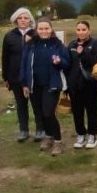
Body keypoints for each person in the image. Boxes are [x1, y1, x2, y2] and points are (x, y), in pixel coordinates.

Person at [20, 18, 70, 155]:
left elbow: (67, 63)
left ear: (51, 29)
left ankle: (58, 141)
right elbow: (24, 65)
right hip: (34, 85)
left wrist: (59, 62)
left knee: (49, 113)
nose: (44, 31)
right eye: (41, 29)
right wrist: (24, 83)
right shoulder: (30, 45)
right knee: (40, 113)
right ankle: (49, 136)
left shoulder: (58, 45)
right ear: (36, 30)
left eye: (46, 28)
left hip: (52, 84)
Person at [1, 8, 45, 142]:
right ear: (15, 20)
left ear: (30, 20)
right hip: (15, 76)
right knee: (21, 104)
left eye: (26, 18)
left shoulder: (36, 34)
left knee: (36, 103)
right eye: (20, 18)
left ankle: (40, 129)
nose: (23, 20)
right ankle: (24, 130)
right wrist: (5, 77)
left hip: (32, 76)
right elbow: (5, 58)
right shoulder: (9, 36)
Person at [67, 20, 97, 149]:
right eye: (79, 30)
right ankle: (80, 134)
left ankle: (92, 135)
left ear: (89, 31)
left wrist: (83, 53)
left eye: (84, 29)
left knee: (91, 110)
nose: (81, 32)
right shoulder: (71, 44)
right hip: (74, 84)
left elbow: (95, 61)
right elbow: (68, 63)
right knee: (77, 111)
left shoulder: (95, 43)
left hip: (90, 83)